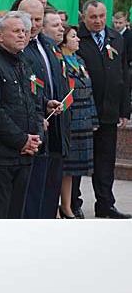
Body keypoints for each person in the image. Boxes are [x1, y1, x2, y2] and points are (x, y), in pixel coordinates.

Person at [0, 11, 42, 218]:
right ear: (0, 35)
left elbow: (32, 100)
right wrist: (21, 140)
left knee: (16, 216)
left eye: (24, 31)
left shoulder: (23, 61)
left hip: (24, 155)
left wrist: (36, 133)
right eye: (16, 31)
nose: (22, 35)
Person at [75, 0, 131, 218]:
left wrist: (124, 109)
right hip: (83, 112)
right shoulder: (76, 38)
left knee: (105, 161)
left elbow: (124, 74)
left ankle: (105, 204)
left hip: (108, 112)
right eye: (93, 17)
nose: (98, 21)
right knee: (79, 162)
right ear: (84, 18)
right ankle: (73, 203)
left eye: (101, 16)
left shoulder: (116, 38)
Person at [20, 0, 69, 219]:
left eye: (38, 19)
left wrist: (50, 102)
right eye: (31, 19)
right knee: (31, 200)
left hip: (54, 130)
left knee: (49, 196)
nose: (35, 24)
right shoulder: (18, 47)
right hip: (32, 132)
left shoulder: (47, 44)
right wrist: (40, 108)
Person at [60, 25, 98, 218]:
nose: (78, 40)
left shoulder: (79, 61)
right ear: (64, 41)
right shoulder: (61, 62)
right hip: (70, 120)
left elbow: (89, 91)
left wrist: (93, 118)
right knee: (63, 168)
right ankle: (58, 207)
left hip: (83, 121)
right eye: (73, 37)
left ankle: (68, 205)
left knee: (74, 170)